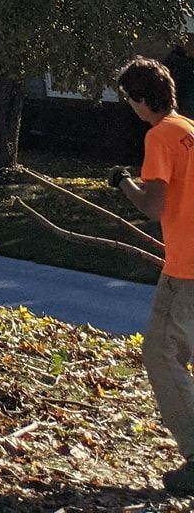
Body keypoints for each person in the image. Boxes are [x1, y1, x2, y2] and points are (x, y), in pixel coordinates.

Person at [113, 57, 194, 497]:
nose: (131, 107)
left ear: (143, 99)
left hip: (185, 272)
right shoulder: (189, 129)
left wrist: (123, 182)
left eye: (130, 99)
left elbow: (154, 205)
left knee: (161, 356)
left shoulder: (160, 135)